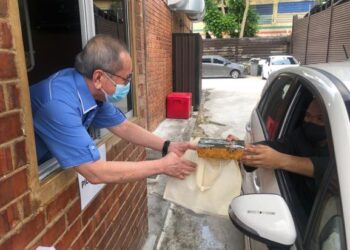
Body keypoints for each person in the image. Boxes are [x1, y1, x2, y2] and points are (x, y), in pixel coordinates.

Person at [30, 34, 197, 184]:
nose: (127, 85)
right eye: (125, 79)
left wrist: (168, 146)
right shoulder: (59, 105)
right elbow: (94, 172)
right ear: (98, 77)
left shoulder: (91, 93)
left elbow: (123, 126)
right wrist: (162, 166)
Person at [226, 99, 328, 180]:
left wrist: (281, 160)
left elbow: (332, 170)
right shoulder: (300, 135)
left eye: (320, 119)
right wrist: (245, 148)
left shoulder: (340, 150)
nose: (311, 121)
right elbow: (278, 145)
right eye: (308, 116)